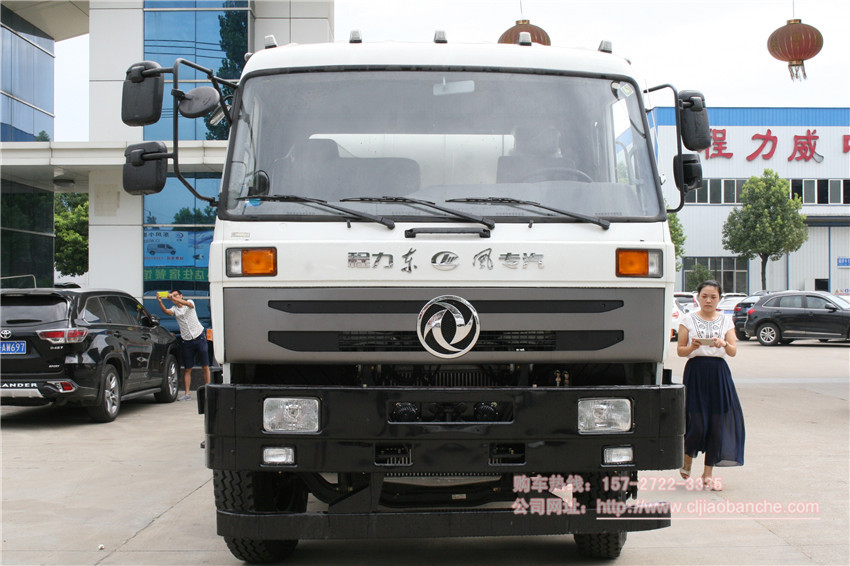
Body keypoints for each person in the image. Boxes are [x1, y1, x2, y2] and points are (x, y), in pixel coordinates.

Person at [676, 280, 745, 490]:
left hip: (718, 373)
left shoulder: (726, 321)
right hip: (696, 372)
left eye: (713, 297)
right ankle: (687, 457)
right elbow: (680, 350)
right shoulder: (688, 319)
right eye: (704, 296)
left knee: (717, 425)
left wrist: (724, 343)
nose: (708, 300)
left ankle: (708, 474)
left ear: (719, 299)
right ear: (697, 297)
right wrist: (692, 347)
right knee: (696, 423)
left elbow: (733, 351)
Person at [157, 290, 210, 401]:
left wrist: (173, 298)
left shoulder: (190, 303)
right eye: (172, 296)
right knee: (187, 368)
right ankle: (187, 394)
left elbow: (187, 304)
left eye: (176, 295)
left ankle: (208, 391)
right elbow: (166, 311)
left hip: (199, 337)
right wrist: (160, 302)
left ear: (181, 296)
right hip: (187, 341)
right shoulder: (174, 309)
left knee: (205, 366)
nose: (174, 297)